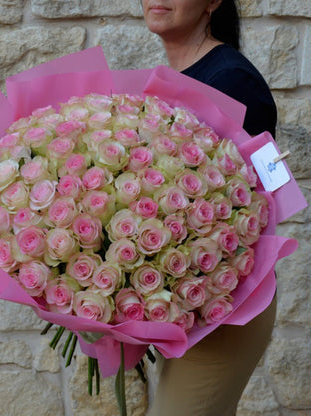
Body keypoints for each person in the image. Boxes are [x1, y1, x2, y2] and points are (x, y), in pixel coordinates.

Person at [142, 1, 278, 415]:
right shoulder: (174, 79)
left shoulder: (232, 82)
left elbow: (258, 202)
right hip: (186, 305)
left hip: (224, 306)